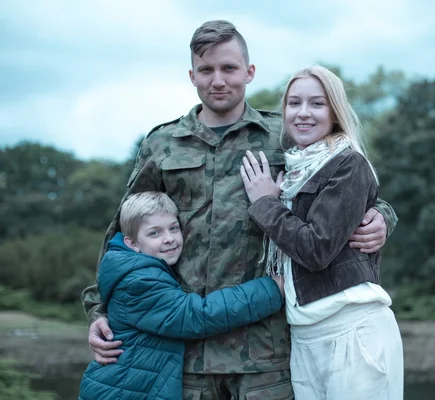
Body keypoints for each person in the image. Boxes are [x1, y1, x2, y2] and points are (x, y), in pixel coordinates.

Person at [81, 20, 398, 399]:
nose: (218, 80)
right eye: (206, 70)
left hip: (267, 350)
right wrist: (99, 310)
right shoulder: (162, 144)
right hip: (186, 352)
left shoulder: (283, 133)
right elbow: (124, 229)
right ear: (192, 75)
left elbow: (346, 178)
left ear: (249, 72)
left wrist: (382, 215)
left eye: (229, 68)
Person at [240, 65, 404, 399]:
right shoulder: (292, 170)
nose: (303, 113)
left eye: (317, 103)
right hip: (303, 335)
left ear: (335, 112)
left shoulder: (348, 164)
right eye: (294, 103)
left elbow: (316, 249)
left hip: (352, 329)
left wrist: (265, 203)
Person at [79, 192, 284, 400]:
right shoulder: (139, 282)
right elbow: (195, 315)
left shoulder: (142, 268)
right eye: (154, 233)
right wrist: (270, 289)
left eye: (174, 228)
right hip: (121, 391)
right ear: (133, 244)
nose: (169, 239)